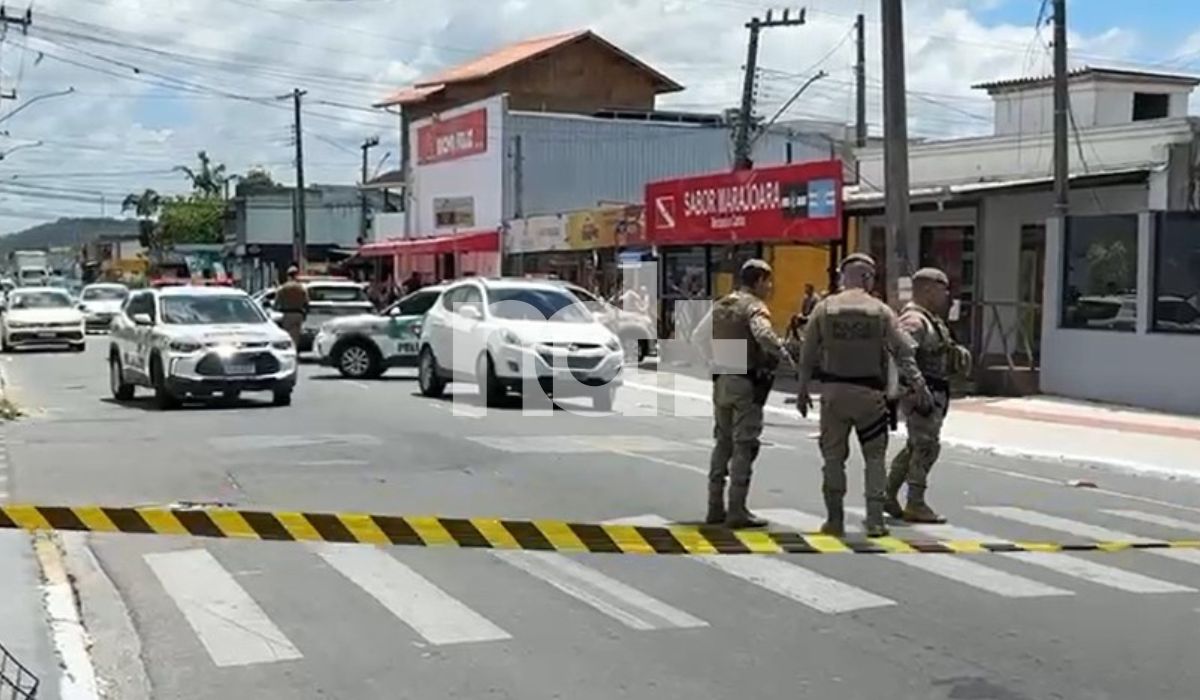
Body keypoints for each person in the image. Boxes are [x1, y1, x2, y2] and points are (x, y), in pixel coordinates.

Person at [795, 253, 930, 538]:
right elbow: (904, 351)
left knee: (833, 458)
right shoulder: (880, 311)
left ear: (845, 277)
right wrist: (919, 385)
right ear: (868, 278)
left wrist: (803, 389)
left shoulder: (825, 308)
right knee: (874, 458)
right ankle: (874, 520)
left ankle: (834, 520)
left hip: (833, 394)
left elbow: (807, 353)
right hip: (870, 396)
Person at [693, 259, 792, 528]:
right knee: (744, 445)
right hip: (746, 382)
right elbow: (764, 336)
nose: (770, 287)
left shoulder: (723, 304)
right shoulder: (754, 307)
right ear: (758, 280)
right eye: (768, 281)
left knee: (722, 443)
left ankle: (715, 507)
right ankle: (737, 509)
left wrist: (717, 360)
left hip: (722, 379)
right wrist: (785, 357)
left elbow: (698, 337)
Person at [885, 268, 972, 523]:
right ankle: (915, 502)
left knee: (915, 446)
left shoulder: (930, 318)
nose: (947, 295)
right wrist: (916, 386)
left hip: (934, 392)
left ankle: (887, 495)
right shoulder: (914, 320)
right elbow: (901, 352)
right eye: (943, 288)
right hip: (923, 394)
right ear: (927, 289)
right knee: (926, 447)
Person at [275, 266, 309, 348]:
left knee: (286, 335)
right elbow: (306, 302)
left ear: (288, 276)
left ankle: (288, 351)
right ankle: (295, 351)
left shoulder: (283, 288)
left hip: (286, 314)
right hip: (298, 314)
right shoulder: (301, 288)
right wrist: (305, 314)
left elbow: (276, 303)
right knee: (295, 337)